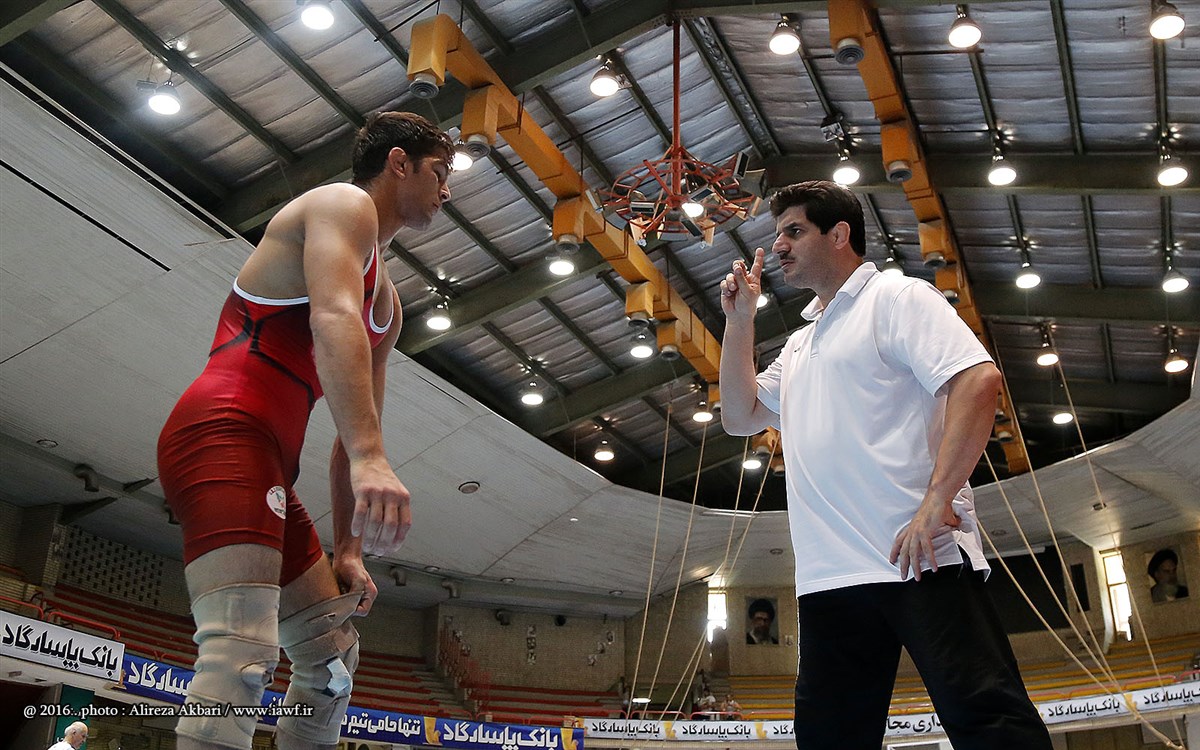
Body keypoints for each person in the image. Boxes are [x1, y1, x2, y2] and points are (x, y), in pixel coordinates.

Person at [718, 181, 1052, 750]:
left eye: (794, 231)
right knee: (830, 740)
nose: (777, 247)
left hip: (920, 556)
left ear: (839, 234)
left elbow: (978, 380)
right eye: (777, 234)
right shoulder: (800, 343)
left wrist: (937, 500)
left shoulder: (896, 298)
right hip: (830, 575)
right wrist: (740, 320)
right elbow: (739, 414)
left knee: (987, 722)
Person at [157, 112, 453, 750]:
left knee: (332, 658)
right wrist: (372, 457)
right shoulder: (342, 205)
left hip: (268, 461)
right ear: (398, 163)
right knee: (241, 654)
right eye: (439, 171)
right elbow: (332, 315)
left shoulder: (389, 305)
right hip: (221, 430)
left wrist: (349, 549)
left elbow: (356, 430)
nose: (446, 189)